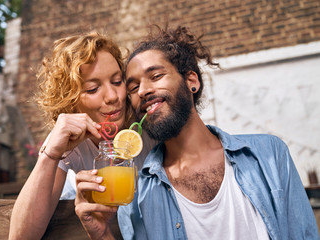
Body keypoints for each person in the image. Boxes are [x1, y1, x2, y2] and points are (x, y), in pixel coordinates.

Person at [77, 25, 319, 239]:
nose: (143, 91)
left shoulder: (269, 154)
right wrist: (101, 235)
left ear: (192, 80)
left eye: (156, 76)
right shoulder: (135, 194)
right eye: (133, 86)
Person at [8, 31, 156, 240]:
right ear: (70, 99)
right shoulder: (69, 141)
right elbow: (21, 237)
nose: (113, 97)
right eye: (93, 88)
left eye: (116, 81)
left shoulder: (149, 126)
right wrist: (50, 154)